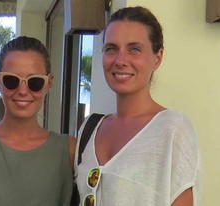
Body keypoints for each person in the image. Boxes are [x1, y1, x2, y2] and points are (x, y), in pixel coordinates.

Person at [75, 6, 201, 206]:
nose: (120, 60)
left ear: (157, 58)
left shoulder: (173, 129)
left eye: (134, 49)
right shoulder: (89, 129)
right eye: (111, 49)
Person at [0, 36, 76, 206]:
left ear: (49, 83)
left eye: (35, 82)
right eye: (11, 80)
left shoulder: (69, 151)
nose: (23, 91)